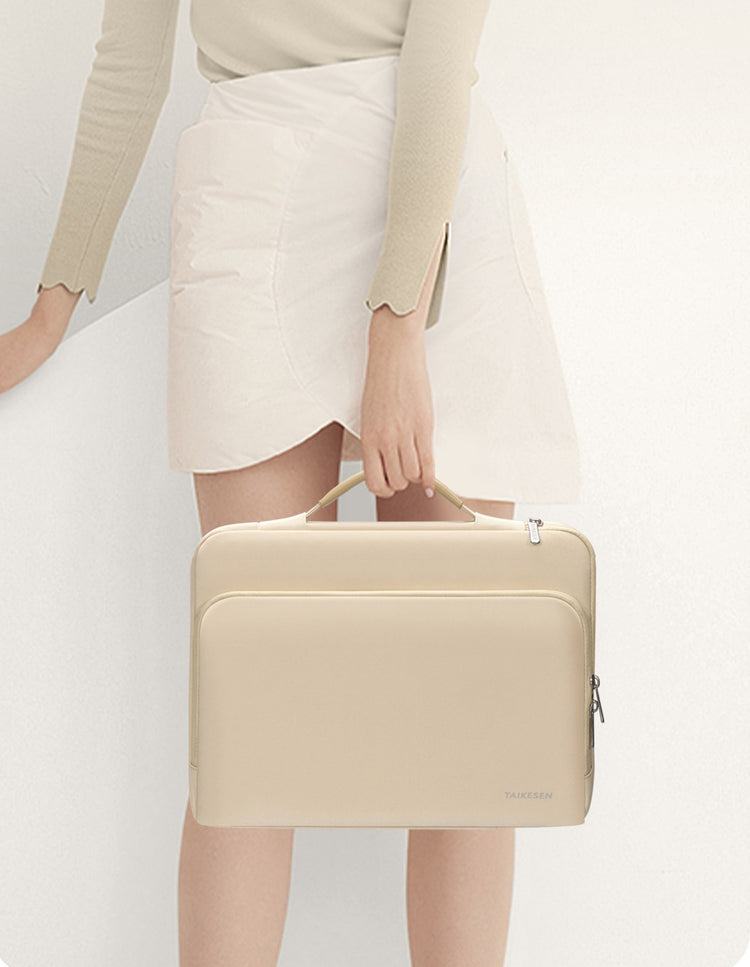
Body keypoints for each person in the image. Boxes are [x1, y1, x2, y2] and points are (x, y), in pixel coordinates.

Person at [2, 0, 583, 963]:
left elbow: (442, 51)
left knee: (467, 721)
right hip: (254, 186)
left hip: (429, 183)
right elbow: (129, 61)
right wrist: (51, 307)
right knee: (250, 725)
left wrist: (397, 319)